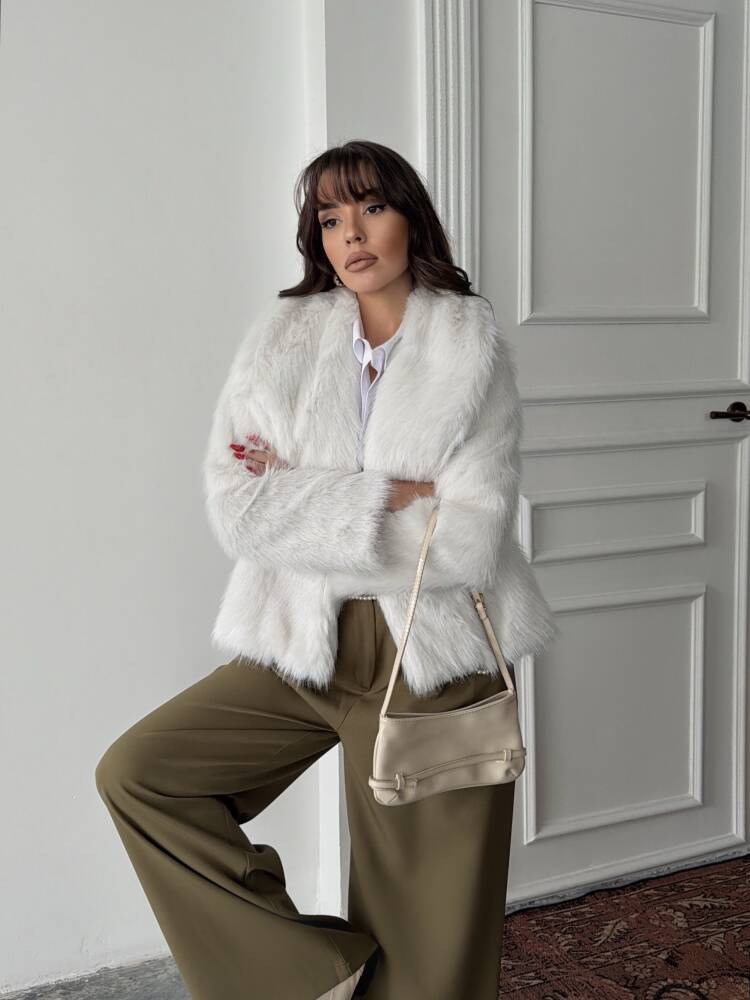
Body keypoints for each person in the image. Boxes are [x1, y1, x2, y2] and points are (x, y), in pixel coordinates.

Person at [95, 139, 560, 1000]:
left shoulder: (469, 346)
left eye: (372, 208)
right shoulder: (282, 339)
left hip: (430, 656)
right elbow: (238, 508)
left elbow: (467, 540)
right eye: (330, 216)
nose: (352, 234)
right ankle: (311, 973)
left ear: (410, 218)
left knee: (431, 957)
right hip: (302, 646)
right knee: (142, 776)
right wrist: (388, 496)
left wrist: (304, 490)